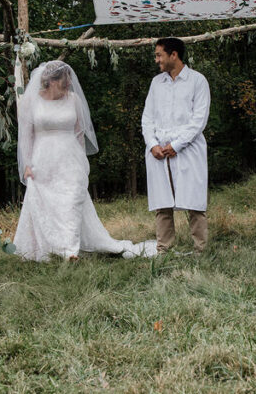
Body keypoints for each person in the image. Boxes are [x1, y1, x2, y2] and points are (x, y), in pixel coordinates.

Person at [14, 61, 156, 261]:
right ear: (52, 81)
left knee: (71, 199)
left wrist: (82, 161)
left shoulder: (73, 100)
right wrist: (27, 164)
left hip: (69, 158)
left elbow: (79, 133)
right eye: (65, 81)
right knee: (45, 203)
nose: (69, 84)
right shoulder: (31, 102)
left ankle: (69, 250)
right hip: (43, 159)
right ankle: (49, 246)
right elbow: (26, 136)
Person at [142, 37, 210, 253]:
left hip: (188, 148)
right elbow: (147, 118)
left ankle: (200, 249)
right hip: (159, 151)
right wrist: (152, 144)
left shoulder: (197, 81)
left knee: (194, 200)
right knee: (162, 203)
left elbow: (199, 119)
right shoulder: (156, 83)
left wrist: (178, 144)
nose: (156, 60)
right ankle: (164, 249)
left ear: (174, 55)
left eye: (159, 55)